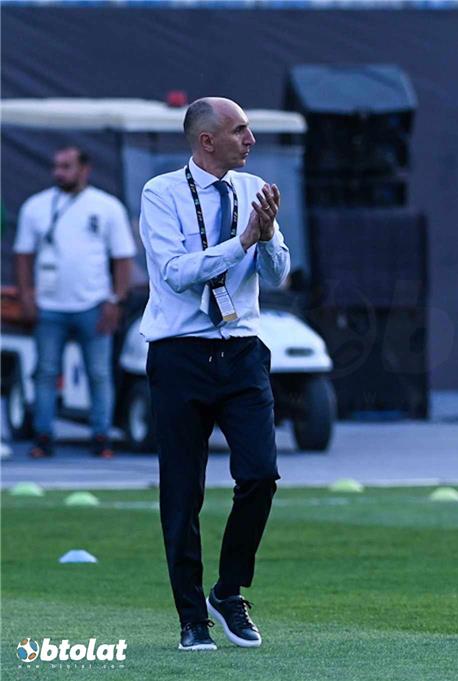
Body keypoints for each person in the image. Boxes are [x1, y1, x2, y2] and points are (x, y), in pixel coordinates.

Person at [138, 97, 290, 652]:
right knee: (183, 491)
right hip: (180, 353)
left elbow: (278, 273)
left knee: (261, 474)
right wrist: (242, 240)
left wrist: (266, 237)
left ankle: (228, 591)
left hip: (242, 349)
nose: (251, 140)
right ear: (207, 140)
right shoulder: (161, 193)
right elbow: (176, 274)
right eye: (240, 130)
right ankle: (190, 616)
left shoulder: (254, 190)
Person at [13, 147, 137, 459]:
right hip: (49, 305)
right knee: (45, 371)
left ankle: (101, 437)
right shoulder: (36, 206)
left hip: (93, 303)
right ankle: (43, 436)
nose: (59, 172)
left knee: (98, 373)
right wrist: (26, 294)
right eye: (56, 166)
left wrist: (116, 299)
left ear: (85, 169)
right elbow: (23, 254)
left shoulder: (106, 207)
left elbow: (123, 257)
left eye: (66, 166)